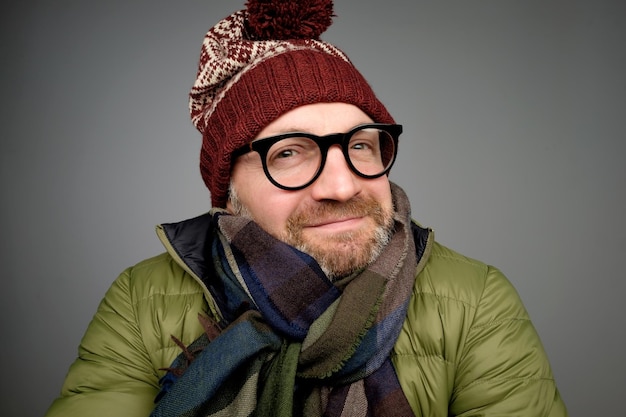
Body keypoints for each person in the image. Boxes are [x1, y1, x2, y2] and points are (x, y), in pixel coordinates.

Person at [45, 1, 567, 416]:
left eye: (361, 145)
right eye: (290, 153)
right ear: (230, 191)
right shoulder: (141, 302)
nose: (341, 185)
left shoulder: (475, 302)